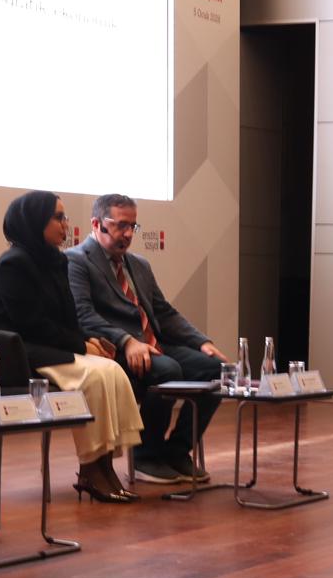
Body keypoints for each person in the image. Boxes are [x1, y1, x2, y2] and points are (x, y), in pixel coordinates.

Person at [0, 191, 144, 502]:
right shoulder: (14, 264)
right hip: (18, 351)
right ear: (34, 220)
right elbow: (30, 324)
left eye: (65, 217)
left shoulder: (56, 260)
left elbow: (67, 316)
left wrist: (88, 339)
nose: (65, 224)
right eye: (57, 217)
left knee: (111, 369)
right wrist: (79, 345)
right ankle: (90, 468)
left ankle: (104, 465)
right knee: (94, 376)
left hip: (46, 345)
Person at [66, 193, 224, 484]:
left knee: (216, 370)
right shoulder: (76, 260)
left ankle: (176, 452)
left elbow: (164, 313)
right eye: (121, 225)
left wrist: (201, 341)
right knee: (167, 370)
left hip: (152, 345)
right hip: (113, 350)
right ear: (97, 224)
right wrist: (126, 341)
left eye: (133, 226)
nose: (128, 234)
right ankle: (146, 457)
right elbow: (83, 316)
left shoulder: (139, 264)